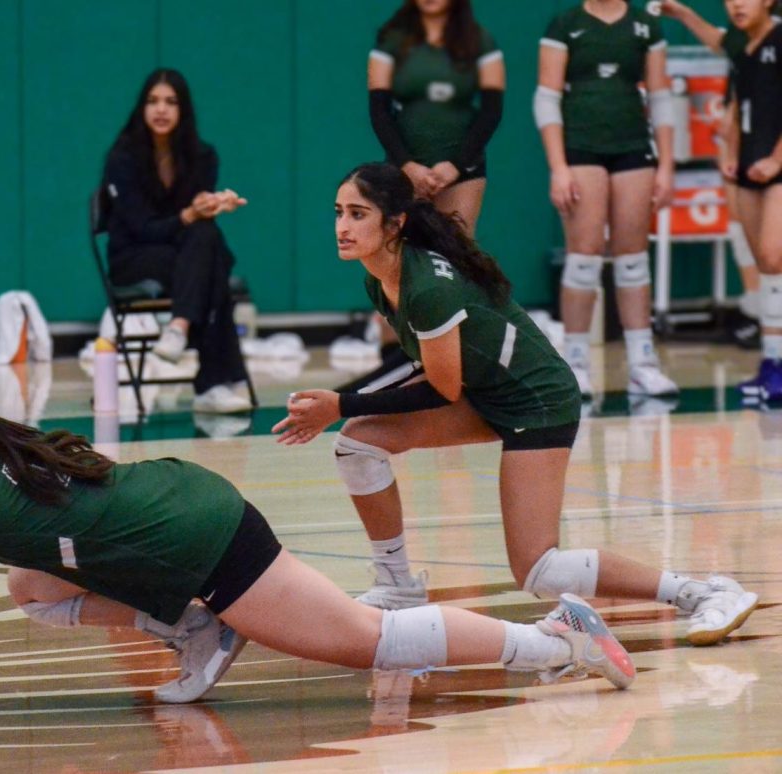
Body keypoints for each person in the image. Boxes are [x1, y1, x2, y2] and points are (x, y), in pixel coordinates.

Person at [0, 360, 638, 704]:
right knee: (30, 586)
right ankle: (194, 628)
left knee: (367, 640)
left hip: (203, 538)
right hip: (182, 505)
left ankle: (553, 641)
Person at [272, 162, 757, 647]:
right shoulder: (381, 277)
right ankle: (397, 586)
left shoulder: (428, 290)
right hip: (485, 393)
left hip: (536, 401)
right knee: (359, 443)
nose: (342, 226)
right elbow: (428, 368)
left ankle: (702, 592)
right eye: (338, 212)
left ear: (394, 223)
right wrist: (345, 405)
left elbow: (441, 390)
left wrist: (342, 403)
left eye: (358, 214)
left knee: (539, 569)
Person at [535, 0, 679, 401]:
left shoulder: (645, 25)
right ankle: (576, 365)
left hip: (633, 146)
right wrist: (558, 166)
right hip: (581, 148)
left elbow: (661, 96)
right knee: (584, 256)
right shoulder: (565, 23)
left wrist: (667, 165)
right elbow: (546, 97)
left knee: (633, 258)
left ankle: (643, 364)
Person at [102, 69, 252, 414]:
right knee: (212, 260)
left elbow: (195, 223)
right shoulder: (122, 157)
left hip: (184, 257)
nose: (161, 110)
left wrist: (211, 206)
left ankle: (178, 328)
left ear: (183, 109)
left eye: (171, 102)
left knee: (206, 239)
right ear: (141, 108)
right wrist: (188, 216)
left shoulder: (202, 156)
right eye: (153, 101)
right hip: (133, 257)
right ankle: (214, 383)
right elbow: (140, 228)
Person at [661, 0, 782, 402]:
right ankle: (773, 363)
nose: (736, 4)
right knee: (766, 264)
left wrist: (776, 159)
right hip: (748, 166)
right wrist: (729, 153)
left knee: (773, 254)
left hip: (775, 166)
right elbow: (734, 108)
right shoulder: (741, 47)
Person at [368, 0, 504, 236]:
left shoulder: (480, 40)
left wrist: (457, 165)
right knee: (404, 253)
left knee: (457, 253)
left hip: (462, 171)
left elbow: (491, 110)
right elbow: (379, 111)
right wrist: (407, 165)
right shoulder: (391, 40)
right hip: (404, 169)